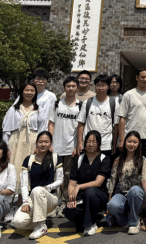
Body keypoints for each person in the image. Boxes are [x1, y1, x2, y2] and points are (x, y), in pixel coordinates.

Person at [11, 131, 63, 239]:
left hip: (50, 199)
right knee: (17, 222)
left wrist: (46, 188)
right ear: (36, 144)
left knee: (37, 190)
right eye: (40, 142)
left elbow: (60, 180)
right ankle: (38, 221)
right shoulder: (28, 160)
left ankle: (41, 226)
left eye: (46, 142)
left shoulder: (55, 158)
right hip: (32, 198)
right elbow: (24, 184)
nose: (43, 144)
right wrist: (25, 202)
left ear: (50, 144)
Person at [64, 131, 111, 236]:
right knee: (68, 211)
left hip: (98, 196)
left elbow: (98, 183)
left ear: (99, 144)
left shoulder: (104, 159)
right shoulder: (79, 159)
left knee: (90, 192)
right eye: (88, 141)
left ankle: (89, 224)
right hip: (82, 197)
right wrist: (71, 199)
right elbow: (71, 184)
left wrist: (79, 187)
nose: (91, 144)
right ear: (84, 143)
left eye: (94, 142)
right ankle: (91, 220)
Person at [2, 83, 48, 192]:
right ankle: (14, 194)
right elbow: (6, 129)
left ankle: (28, 195)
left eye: (32, 90)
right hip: (16, 140)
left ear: (35, 93)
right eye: (27, 90)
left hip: (32, 142)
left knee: (30, 167)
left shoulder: (39, 109)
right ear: (22, 92)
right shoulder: (14, 109)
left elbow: (43, 129)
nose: (29, 93)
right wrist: (5, 147)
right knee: (15, 167)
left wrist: (40, 145)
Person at [117, 68, 146, 185]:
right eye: (142, 77)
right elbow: (122, 118)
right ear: (137, 78)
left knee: (145, 167)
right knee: (128, 165)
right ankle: (126, 189)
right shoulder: (128, 95)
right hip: (130, 137)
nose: (145, 79)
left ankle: (143, 191)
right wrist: (121, 140)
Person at [106, 131, 146, 234]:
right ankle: (124, 221)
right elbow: (112, 181)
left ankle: (134, 222)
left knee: (135, 190)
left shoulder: (143, 160)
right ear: (125, 142)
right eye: (129, 141)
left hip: (137, 195)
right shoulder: (118, 160)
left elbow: (145, 180)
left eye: (135, 142)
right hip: (121, 194)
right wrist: (109, 200)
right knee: (112, 206)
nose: (132, 144)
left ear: (139, 144)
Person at [49, 76, 82, 217]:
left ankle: (64, 203)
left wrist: (78, 144)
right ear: (64, 88)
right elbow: (51, 123)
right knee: (55, 176)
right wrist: (50, 143)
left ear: (77, 88)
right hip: (56, 147)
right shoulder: (57, 104)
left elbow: (81, 126)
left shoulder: (80, 106)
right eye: (68, 86)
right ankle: (53, 204)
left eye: (73, 86)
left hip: (71, 148)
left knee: (68, 176)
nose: (71, 88)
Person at [77, 75, 117, 157]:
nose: (100, 88)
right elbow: (81, 123)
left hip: (106, 145)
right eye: (98, 85)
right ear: (95, 87)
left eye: (103, 85)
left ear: (108, 87)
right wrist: (80, 143)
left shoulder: (114, 103)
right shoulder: (88, 102)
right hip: (89, 144)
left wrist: (114, 143)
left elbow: (116, 125)